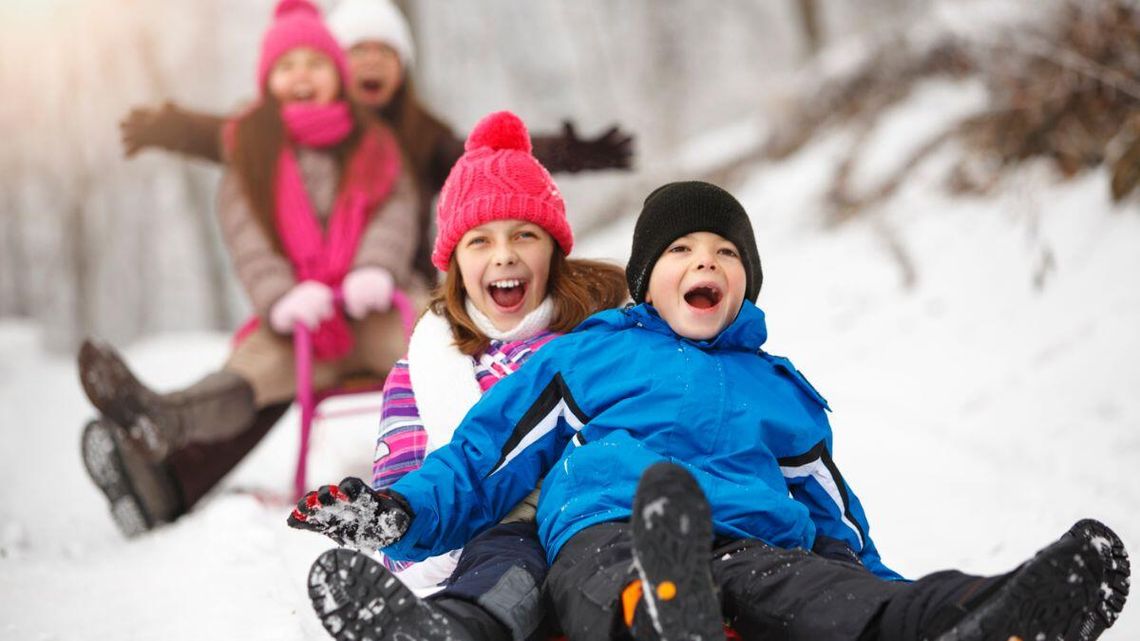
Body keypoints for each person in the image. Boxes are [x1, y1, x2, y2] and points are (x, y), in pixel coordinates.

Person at [287, 181, 1131, 641]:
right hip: (609, 529)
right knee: (613, 574)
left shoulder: (780, 387)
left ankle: (981, 614)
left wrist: (884, 589)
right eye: (683, 249)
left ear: (745, 282)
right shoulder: (592, 353)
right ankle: (659, 609)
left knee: (827, 594)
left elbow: (837, 521)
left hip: (753, 543)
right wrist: (397, 510)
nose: (707, 262)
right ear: (646, 276)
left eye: (727, 253)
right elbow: (486, 451)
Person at [80, 0, 421, 536]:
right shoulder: (253, 149)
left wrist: (375, 267)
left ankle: (492, 441)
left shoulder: (374, 143)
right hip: (302, 316)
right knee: (249, 374)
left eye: (315, 63)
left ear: (338, 73)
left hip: (374, 302)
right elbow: (248, 235)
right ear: (269, 81)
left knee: (436, 344)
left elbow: (395, 208)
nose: (302, 75)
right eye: (287, 67)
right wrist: (280, 294)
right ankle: (163, 420)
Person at [294, 109, 628, 641]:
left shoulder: (598, 343)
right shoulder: (423, 370)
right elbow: (406, 477)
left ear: (553, 251)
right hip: (487, 540)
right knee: (505, 570)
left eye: (524, 235)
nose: (504, 256)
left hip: (596, 524)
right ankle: (444, 631)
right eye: (480, 241)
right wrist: (386, 516)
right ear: (453, 263)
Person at [117, 0, 635, 286]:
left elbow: (485, 156)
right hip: (309, 285)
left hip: (398, 282)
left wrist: (570, 152)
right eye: (357, 50)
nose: (369, 62)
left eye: (384, 53)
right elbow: (227, 136)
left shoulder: (418, 136)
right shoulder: (292, 135)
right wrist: (169, 124)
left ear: (401, 69)